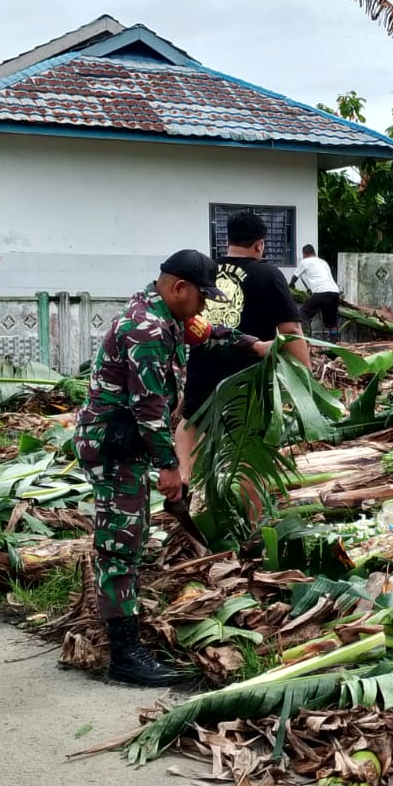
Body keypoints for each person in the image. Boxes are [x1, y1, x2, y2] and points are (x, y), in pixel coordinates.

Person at [76, 250, 272, 685]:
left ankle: (124, 635)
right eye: (201, 297)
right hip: (114, 448)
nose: (203, 307)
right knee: (120, 545)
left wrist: (252, 344)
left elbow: (204, 332)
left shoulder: (165, 313)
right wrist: (169, 467)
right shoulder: (145, 329)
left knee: (130, 537)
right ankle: (125, 655)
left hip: (127, 444)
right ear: (178, 287)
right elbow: (148, 408)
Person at [176, 210, 309, 482]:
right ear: (260, 244)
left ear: (228, 238)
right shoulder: (268, 274)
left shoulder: (206, 272)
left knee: (191, 422)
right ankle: (249, 517)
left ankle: (186, 481)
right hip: (246, 375)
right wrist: (306, 376)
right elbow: (291, 330)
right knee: (249, 445)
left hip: (202, 365)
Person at [291, 243, 342, 342]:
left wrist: (290, 286)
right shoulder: (323, 262)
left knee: (303, 314)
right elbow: (322, 278)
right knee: (332, 322)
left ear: (305, 254)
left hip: (321, 292)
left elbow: (295, 277)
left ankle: (305, 340)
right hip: (334, 292)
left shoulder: (305, 261)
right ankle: (334, 344)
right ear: (314, 252)